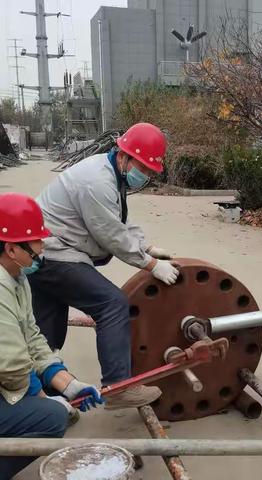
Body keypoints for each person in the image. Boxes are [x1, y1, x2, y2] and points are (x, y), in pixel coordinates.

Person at [28, 122, 178, 410]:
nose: (144, 176)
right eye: (143, 168)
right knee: (112, 304)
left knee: (47, 332)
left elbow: (117, 219)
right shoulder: (95, 181)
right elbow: (109, 233)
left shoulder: (110, 172)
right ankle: (117, 386)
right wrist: (149, 265)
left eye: (149, 171)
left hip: (46, 252)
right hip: (56, 254)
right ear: (124, 155)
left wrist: (145, 245)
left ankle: (44, 397)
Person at [0, 192, 103, 480]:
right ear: (11, 249)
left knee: (55, 394)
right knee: (52, 418)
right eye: (35, 240)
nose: (42, 245)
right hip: (3, 372)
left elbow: (32, 337)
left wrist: (68, 385)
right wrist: (42, 396)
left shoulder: (17, 277)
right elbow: (10, 365)